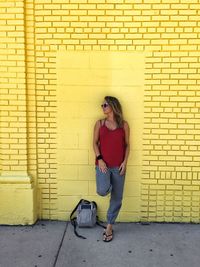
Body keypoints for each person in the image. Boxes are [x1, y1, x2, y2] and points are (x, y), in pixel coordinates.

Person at [93, 96, 130, 242]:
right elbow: (94, 143)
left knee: (117, 197)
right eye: (102, 105)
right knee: (102, 190)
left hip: (119, 166)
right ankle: (110, 185)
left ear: (113, 106)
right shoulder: (100, 123)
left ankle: (109, 226)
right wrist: (100, 159)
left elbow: (127, 146)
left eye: (105, 105)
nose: (102, 107)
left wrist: (125, 162)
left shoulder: (124, 125)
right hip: (103, 166)